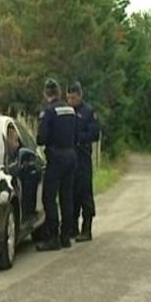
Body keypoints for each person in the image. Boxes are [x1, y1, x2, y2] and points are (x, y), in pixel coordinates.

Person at [36, 79, 78, 251]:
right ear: (59, 92)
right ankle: (65, 236)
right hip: (71, 155)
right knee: (66, 196)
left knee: (49, 197)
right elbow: (76, 133)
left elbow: (41, 139)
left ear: (46, 93)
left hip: (56, 156)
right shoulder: (70, 110)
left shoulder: (49, 112)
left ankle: (53, 237)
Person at [66, 82, 100, 242]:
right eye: (69, 98)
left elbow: (94, 134)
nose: (71, 100)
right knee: (71, 194)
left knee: (85, 193)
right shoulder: (66, 111)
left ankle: (87, 229)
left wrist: (79, 138)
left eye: (73, 97)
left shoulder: (88, 112)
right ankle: (72, 228)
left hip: (83, 157)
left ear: (80, 96)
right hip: (70, 158)